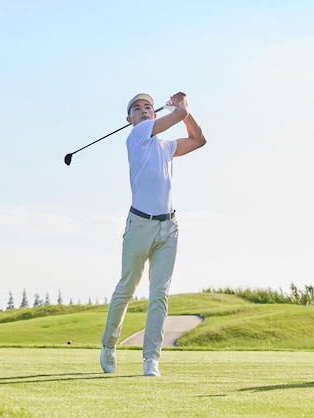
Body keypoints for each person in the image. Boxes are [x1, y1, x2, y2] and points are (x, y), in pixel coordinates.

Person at [100, 92, 206, 377]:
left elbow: (198, 140)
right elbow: (179, 115)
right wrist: (181, 104)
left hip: (168, 228)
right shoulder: (136, 136)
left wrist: (185, 110)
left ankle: (151, 358)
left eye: (148, 107)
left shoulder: (165, 146)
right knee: (127, 288)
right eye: (138, 108)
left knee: (159, 294)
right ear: (129, 120)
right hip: (139, 226)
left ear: (154, 114)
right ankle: (109, 346)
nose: (145, 111)